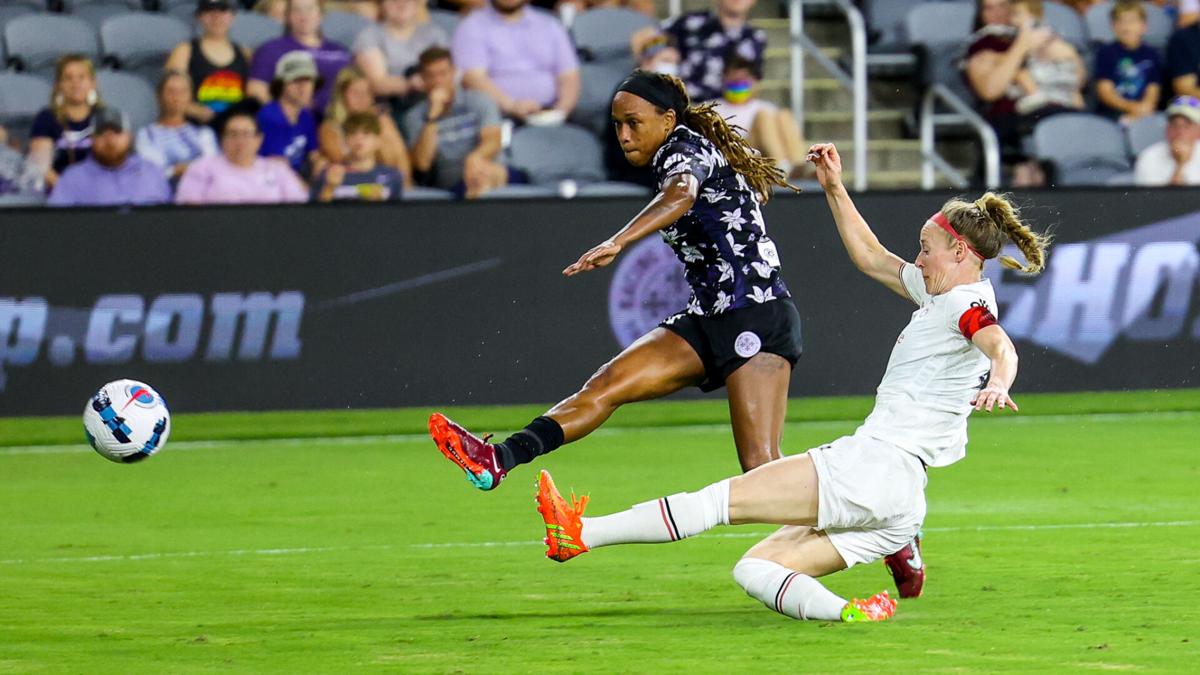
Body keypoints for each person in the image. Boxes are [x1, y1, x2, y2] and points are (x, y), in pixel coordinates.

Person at [528, 141, 1049, 625]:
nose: (917, 258)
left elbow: (999, 343)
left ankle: (580, 534)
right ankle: (852, 612)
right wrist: (835, 188)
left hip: (874, 465)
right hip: (901, 499)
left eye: (926, 248)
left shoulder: (964, 303)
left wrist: (1000, 380)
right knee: (754, 569)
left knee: (715, 503)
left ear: (961, 254)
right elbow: (874, 259)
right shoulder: (941, 294)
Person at [430, 70, 804, 493]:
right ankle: (498, 458)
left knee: (761, 466)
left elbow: (681, 195)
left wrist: (617, 241)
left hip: (754, 313)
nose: (624, 134)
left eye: (634, 122)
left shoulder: (681, 147)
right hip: (709, 316)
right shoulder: (685, 150)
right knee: (605, 386)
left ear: (667, 119)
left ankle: (877, 534)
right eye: (617, 124)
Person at [963, 0, 1054, 186]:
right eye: (989, 8)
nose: (996, 13)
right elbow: (990, 91)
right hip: (1008, 117)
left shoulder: (1037, 36)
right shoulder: (981, 45)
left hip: (1050, 106)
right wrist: (1021, 46)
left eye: (1002, 6)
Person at [404, 47, 515, 198]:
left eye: (443, 74)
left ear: (454, 72)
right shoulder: (415, 116)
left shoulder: (478, 100)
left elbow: (494, 140)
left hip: (491, 170)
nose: (438, 81)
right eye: (430, 76)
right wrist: (432, 116)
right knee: (476, 186)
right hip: (453, 185)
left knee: (483, 177)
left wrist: (474, 159)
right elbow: (423, 163)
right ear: (422, 79)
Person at [450, 0, 581, 121]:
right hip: (499, 117)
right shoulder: (471, 27)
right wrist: (511, 106)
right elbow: (473, 79)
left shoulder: (550, 25)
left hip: (554, 114)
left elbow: (569, 75)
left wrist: (561, 111)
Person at [712, 55, 814, 181]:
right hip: (741, 154)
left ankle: (799, 165)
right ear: (724, 80)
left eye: (741, 81)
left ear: (753, 82)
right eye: (734, 82)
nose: (737, 85)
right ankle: (782, 168)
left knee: (784, 115)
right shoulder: (714, 108)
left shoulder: (766, 106)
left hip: (765, 156)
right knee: (762, 117)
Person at [175, 109, 309, 204]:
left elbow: (297, 209)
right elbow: (189, 209)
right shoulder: (203, 167)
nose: (240, 140)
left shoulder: (277, 169)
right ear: (222, 139)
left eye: (246, 134)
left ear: (259, 139)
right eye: (233, 134)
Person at [47, 107, 171, 207]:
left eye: (116, 132)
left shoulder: (151, 172)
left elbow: (170, 221)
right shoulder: (72, 178)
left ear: (130, 137)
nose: (109, 139)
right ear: (91, 139)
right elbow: (57, 225)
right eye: (102, 133)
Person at [247, 0, 354, 113]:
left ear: (321, 14)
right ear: (288, 16)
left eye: (310, 8)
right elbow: (256, 90)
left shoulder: (340, 51)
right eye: (297, 10)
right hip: (294, 122)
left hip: (340, 119)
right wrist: (287, 115)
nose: (304, 15)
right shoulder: (271, 50)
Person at [320, 66, 413, 187]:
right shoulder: (330, 127)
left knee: (384, 124)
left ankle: (404, 186)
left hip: (386, 179)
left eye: (367, 92)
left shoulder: (381, 121)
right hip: (351, 183)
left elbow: (400, 155)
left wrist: (406, 182)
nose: (362, 98)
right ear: (341, 95)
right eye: (355, 92)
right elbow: (342, 161)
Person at [164, 0, 253, 125]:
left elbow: (254, 96)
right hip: (197, 126)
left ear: (232, 16)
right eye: (208, 9)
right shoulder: (184, 51)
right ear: (198, 16)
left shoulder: (245, 53)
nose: (216, 15)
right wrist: (192, 109)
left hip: (234, 129)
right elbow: (168, 93)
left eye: (222, 9)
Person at [663, 0, 767, 102]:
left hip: (730, 105)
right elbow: (654, 34)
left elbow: (755, 83)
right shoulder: (691, 22)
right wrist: (660, 52)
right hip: (685, 104)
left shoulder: (756, 37)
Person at [27, 54, 103, 190]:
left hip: (101, 194)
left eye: (81, 77)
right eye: (68, 78)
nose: (75, 84)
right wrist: (69, 191)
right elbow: (42, 168)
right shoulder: (46, 118)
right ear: (59, 85)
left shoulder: (105, 116)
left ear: (93, 83)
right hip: (60, 195)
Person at [353, 0, 448, 99]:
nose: (401, 3)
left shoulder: (435, 33)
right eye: (394, 0)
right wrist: (409, 84)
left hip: (438, 97)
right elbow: (376, 83)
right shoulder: (369, 35)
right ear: (382, 4)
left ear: (417, 5)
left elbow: (451, 70)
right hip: (395, 105)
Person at [136, 71, 220, 182]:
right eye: (171, 91)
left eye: (183, 92)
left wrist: (178, 169)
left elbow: (211, 169)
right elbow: (152, 172)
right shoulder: (146, 135)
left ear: (190, 97)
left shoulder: (204, 134)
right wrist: (177, 170)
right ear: (159, 96)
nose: (177, 97)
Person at [1009, 0, 1087, 117]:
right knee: (1019, 72)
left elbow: (1070, 61)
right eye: (1012, 14)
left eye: (1017, 14)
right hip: (1047, 84)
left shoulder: (1035, 30)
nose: (1012, 19)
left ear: (1034, 14)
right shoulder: (1016, 34)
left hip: (1056, 73)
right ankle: (1036, 95)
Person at [1094, 0, 1164, 123]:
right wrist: (1133, 108)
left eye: (1132, 21)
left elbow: (1153, 88)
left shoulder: (1152, 54)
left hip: (1145, 111)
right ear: (1113, 26)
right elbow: (1105, 91)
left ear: (1143, 26)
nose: (1126, 27)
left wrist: (1145, 107)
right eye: (1120, 22)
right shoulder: (1106, 52)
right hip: (1114, 113)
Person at [312, 111, 404, 201]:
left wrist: (380, 206)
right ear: (345, 140)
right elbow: (312, 213)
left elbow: (398, 213)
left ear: (378, 141)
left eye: (366, 133)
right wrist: (330, 188)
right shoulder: (329, 174)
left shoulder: (392, 176)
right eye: (352, 133)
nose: (358, 139)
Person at [257, 51, 321, 177]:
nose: (303, 87)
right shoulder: (269, 116)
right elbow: (276, 164)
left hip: (294, 180)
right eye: (295, 80)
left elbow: (314, 155)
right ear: (281, 85)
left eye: (308, 80)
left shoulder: (306, 116)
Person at [1134, 95, 1200, 185]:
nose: (1179, 131)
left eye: (1186, 126)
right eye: (1174, 125)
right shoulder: (1149, 156)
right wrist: (1179, 166)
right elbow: (1148, 198)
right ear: (1166, 128)